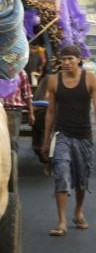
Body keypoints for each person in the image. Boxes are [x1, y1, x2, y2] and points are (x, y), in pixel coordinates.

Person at [42, 45, 96, 236]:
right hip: (62, 135)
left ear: (78, 60)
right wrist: (46, 140)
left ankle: (78, 212)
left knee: (82, 179)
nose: (66, 63)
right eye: (63, 59)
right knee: (61, 173)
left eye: (70, 59)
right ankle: (61, 221)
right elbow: (50, 112)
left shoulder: (89, 78)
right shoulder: (54, 81)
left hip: (84, 137)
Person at [0, 68, 35, 144]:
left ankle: (13, 155)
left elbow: (27, 94)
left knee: (12, 141)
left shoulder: (20, 72)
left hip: (13, 110)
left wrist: (31, 113)